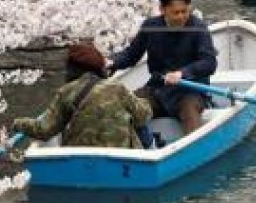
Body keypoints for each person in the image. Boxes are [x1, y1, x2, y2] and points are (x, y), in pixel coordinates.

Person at [107, 0, 217, 135]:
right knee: (123, 108)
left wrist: (182, 74)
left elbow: (209, 63)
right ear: (162, 9)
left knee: (190, 113)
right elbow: (131, 55)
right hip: (158, 90)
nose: (181, 17)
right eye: (175, 12)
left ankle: (189, 150)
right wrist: (112, 63)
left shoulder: (199, 28)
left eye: (184, 11)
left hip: (190, 91)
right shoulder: (151, 26)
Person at [11, 42, 152, 148]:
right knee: (138, 121)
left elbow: (44, 129)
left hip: (78, 157)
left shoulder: (66, 92)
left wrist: (18, 124)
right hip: (121, 158)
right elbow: (144, 115)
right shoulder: (118, 89)